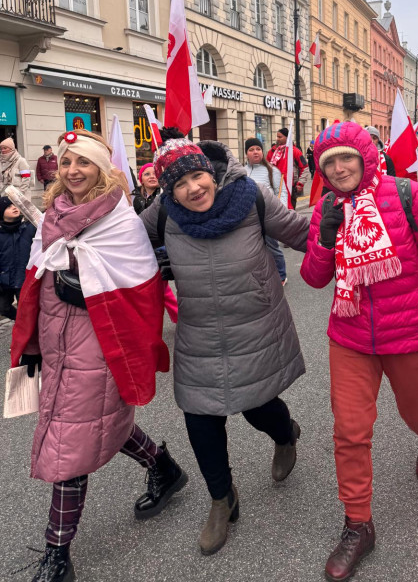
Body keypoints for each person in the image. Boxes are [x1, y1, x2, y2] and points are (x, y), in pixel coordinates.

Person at [300, 122, 418, 582]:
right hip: (350, 335)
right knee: (350, 430)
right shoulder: (327, 208)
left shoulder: (408, 195)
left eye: (347, 158)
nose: (339, 169)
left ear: (365, 157)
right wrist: (324, 238)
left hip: (410, 334)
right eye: (329, 163)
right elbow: (313, 279)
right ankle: (358, 525)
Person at [10, 129, 187, 582]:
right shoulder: (53, 212)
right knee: (97, 422)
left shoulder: (119, 217)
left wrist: (84, 283)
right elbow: (36, 277)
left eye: (84, 163)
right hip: (58, 339)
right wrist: (32, 341)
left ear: (102, 170)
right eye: (67, 162)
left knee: (71, 441)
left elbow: (137, 283)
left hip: (103, 341)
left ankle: (57, 551)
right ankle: (163, 468)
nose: (73, 171)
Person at [140, 136, 310, 556]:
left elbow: (300, 232)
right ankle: (222, 499)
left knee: (258, 406)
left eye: (198, 176)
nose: (193, 189)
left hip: (255, 324)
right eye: (180, 184)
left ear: (210, 172)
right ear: (167, 190)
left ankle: (285, 434)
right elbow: (116, 246)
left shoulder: (250, 196)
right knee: (200, 417)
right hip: (197, 332)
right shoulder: (162, 213)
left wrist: (352, 225)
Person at [244, 137, 289, 285]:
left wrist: (280, 209)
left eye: (258, 149)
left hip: (268, 216)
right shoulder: (241, 171)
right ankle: (260, 275)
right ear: (246, 153)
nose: (255, 152)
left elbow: (280, 192)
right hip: (249, 218)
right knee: (252, 249)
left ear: (262, 152)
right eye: (251, 150)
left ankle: (281, 275)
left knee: (272, 247)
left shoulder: (272, 170)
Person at [0, 196, 35, 321]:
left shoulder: (29, 228)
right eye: (9, 207)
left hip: (24, 278)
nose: (14, 208)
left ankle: (25, 327)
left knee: (27, 310)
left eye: (15, 205)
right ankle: (19, 320)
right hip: (5, 280)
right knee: (3, 307)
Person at [266, 127, 309, 209]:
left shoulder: (295, 151)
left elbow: (305, 168)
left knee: (290, 213)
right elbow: (266, 167)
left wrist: (300, 183)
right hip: (275, 187)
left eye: (280, 137)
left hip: (290, 187)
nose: (277, 139)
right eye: (277, 136)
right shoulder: (272, 151)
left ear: (287, 137)